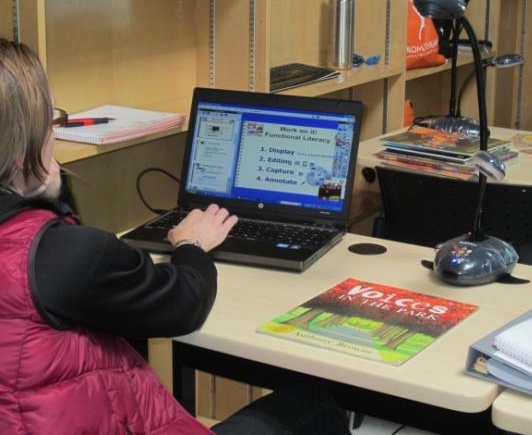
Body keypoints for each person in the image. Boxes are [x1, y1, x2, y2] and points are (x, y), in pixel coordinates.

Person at [0, 38, 351, 435]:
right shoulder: (62, 256)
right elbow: (184, 306)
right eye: (50, 121)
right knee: (315, 403)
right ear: (23, 147)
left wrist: (38, 187)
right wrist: (192, 244)